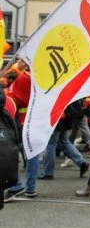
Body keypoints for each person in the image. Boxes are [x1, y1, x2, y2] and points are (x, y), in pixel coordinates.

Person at [4, 60, 40, 201]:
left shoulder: (24, 78)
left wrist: (6, 95)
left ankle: (18, 186)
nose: (18, 62)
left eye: (20, 60)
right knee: (31, 154)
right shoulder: (36, 77)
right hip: (32, 121)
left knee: (13, 153)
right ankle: (29, 187)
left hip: (22, 121)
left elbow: (17, 100)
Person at [38, 100, 90, 180]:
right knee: (64, 141)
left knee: (51, 145)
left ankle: (48, 172)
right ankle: (81, 162)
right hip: (66, 118)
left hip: (56, 118)